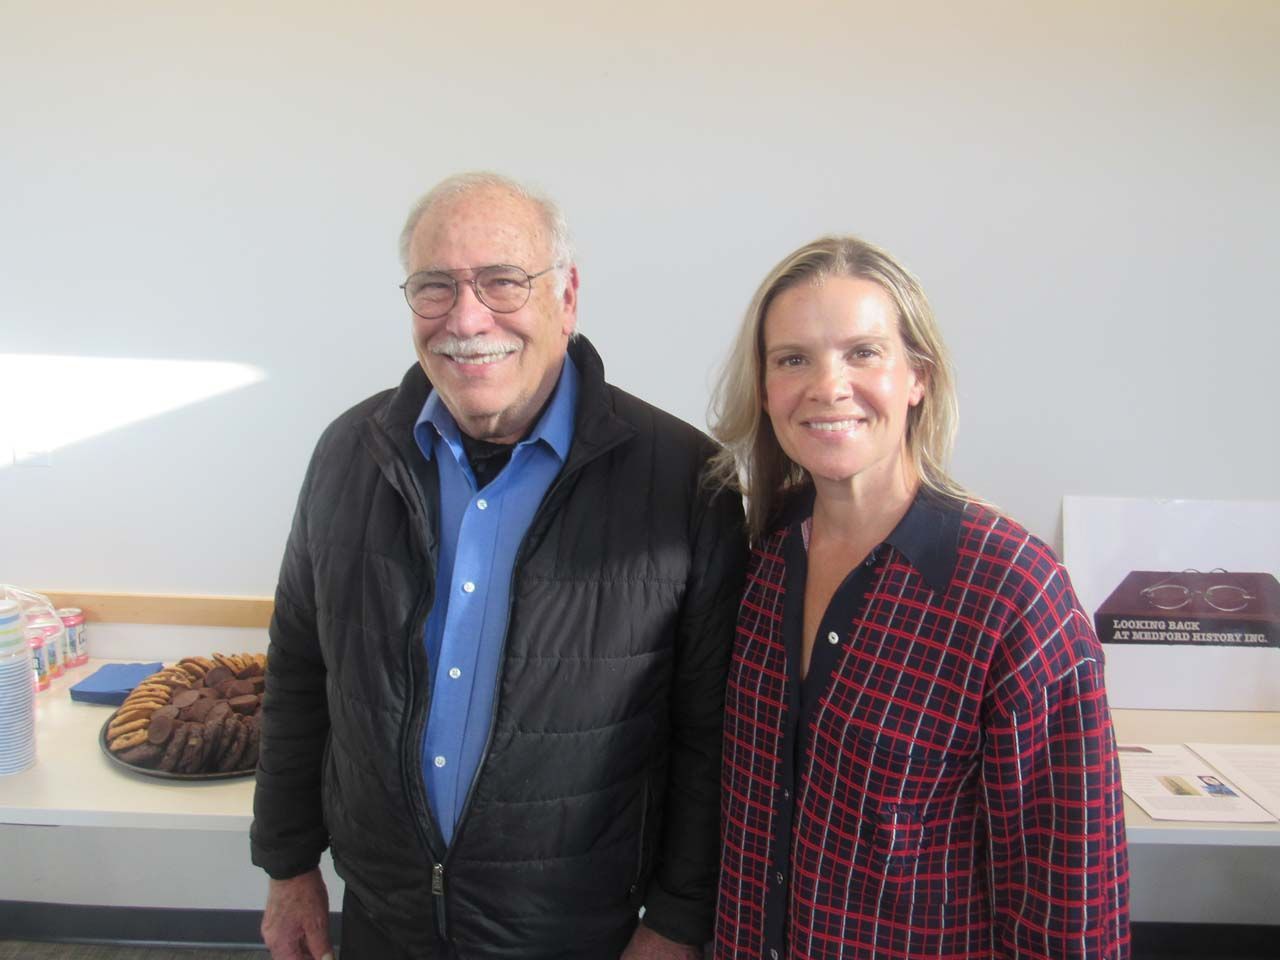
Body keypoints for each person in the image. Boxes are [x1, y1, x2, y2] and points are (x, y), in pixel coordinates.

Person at [251, 172, 745, 959]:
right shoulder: (348, 454)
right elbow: (300, 675)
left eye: (503, 282)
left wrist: (680, 918)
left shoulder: (686, 480)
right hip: (386, 916)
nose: (466, 317)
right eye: (435, 286)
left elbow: (709, 735)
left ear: (567, 296)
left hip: (585, 931)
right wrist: (288, 865)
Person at [708, 236, 1130, 959]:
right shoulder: (754, 557)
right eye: (793, 359)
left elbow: (1073, 902)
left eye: (862, 353)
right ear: (766, 385)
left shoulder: (1013, 591)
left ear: (918, 378)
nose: (827, 386)